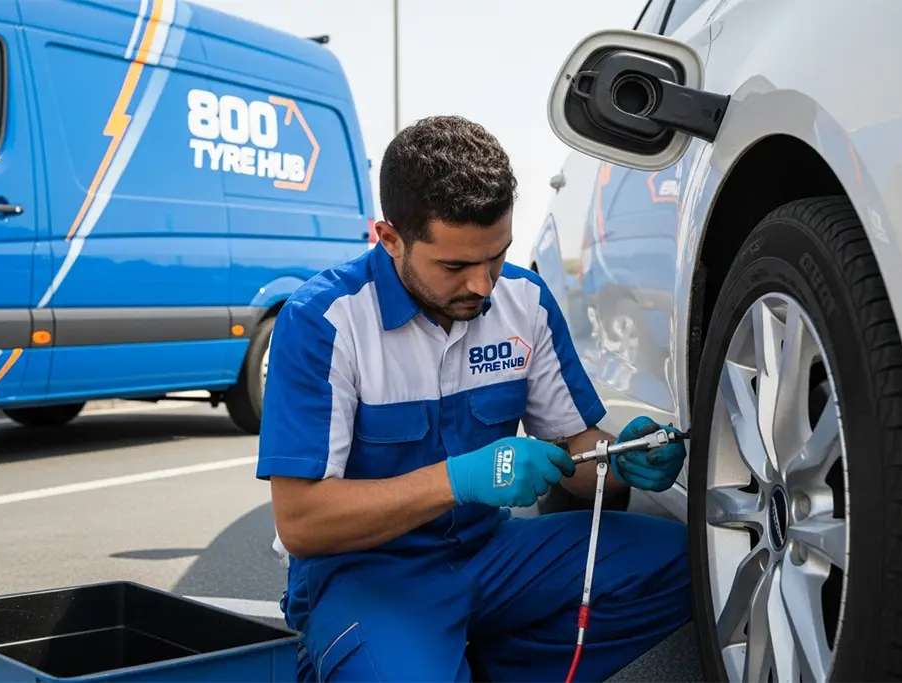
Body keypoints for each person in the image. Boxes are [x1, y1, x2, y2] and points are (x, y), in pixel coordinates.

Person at [256, 115, 692, 683]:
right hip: (368, 573)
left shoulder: (525, 303)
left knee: (686, 565)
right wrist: (458, 480)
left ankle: (457, 663)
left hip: (490, 556)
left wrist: (622, 458)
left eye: (497, 256)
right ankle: (378, 654)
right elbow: (302, 523)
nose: (483, 286)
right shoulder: (324, 322)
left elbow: (576, 453)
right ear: (390, 239)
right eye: (456, 265)